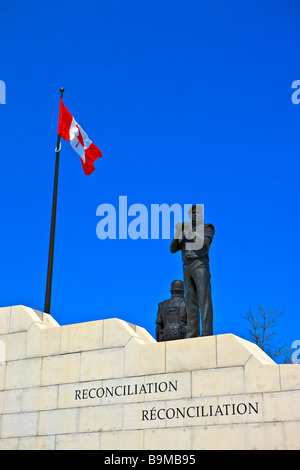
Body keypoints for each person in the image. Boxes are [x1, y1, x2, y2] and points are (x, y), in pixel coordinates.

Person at [170, 205, 215, 337]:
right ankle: (192, 332)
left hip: (200, 263)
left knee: (204, 299)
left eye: (198, 213)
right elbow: (173, 249)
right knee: (190, 301)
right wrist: (178, 233)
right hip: (187, 265)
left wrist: (191, 232)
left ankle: (206, 333)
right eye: (193, 214)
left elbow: (205, 243)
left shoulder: (207, 227)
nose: (195, 216)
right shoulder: (185, 232)